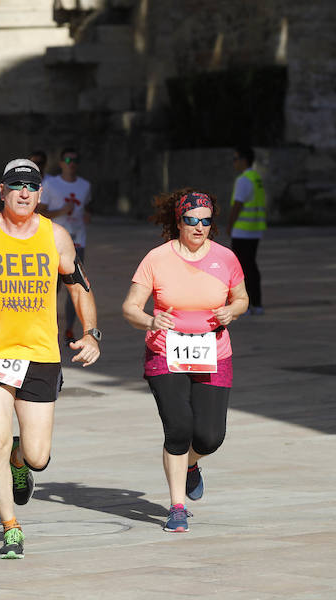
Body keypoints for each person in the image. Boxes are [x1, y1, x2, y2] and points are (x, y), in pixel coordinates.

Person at [0, 158, 101, 559]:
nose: (24, 192)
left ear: (40, 194)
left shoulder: (56, 236)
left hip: (41, 355)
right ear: (2, 191)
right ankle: (11, 527)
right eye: (16, 185)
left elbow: (79, 286)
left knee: (38, 456)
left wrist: (91, 332)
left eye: (31, 186)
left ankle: (19, 457)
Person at [121, 189, 248, 534]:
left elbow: (242, 298)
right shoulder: (157, 259)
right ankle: (176, 507)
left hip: (214, 353)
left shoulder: (226, 258)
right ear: (178, 222)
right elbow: (130, 307)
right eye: (191, 220)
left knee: (209, 438)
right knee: (178, 429)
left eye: (206, 222)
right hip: (166, 352)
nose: (199, 227)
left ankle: (192, 464)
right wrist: (149, 320)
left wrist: (231, 311)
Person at [39, 147, 92, 345]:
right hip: (52, 243)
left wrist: (87, 215)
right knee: (52, 287)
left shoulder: (85, 185)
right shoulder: (51, 184)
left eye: (75, 160)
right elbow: (40, 213)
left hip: (78, 242)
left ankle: (69, 329)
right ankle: (47, 328)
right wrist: (61, 210)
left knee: (76, 286)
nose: (71, 164)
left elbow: (86, 207)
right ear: (61, 163)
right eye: (68, 160)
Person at [227, 145, 266, 315]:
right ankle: (256, 304)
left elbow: (238, 205)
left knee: (241, 269)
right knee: (251, 267)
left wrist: (230, 224)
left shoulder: (243, 180)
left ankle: (246, 306)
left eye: (235, 159)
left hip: (242, 231)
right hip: (255, 230)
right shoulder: (256, 178)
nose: (234, 163)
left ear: (243, 160)